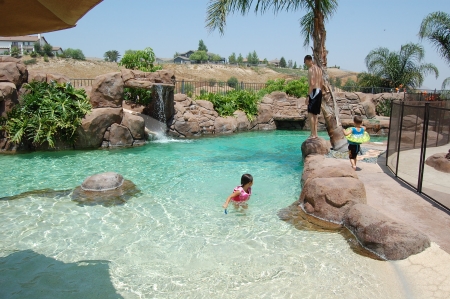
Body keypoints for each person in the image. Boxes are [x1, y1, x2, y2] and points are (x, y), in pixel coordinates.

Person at [304, 55, 324, 139]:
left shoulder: (311, 69)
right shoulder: (319, 69)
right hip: (319, 91)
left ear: (308, 60)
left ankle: (313, 134)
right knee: (315, 114)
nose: (305, 64)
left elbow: (312, 83)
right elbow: (322, 83)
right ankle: (315, 134)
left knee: (310, 113)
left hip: (314, 92)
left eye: (305, 62)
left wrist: (308, 96)